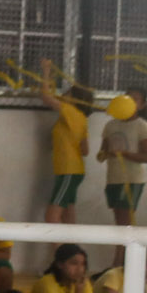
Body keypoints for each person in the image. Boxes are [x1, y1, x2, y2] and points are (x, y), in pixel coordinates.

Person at [97, 82, 147, 263]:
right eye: (128, 97)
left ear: (142, 105)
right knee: (119, 222)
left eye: (136, 99)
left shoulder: (142, 126)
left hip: (132, 180)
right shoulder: (110, 125)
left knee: (124, 224)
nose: (131, 101)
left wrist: (124, 154)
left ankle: (118, 263)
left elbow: (146, 157)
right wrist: (105, 154)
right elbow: (102, 152)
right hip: (113, 179)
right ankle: (121, 263)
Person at [38, 76, 92, 225]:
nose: (63, 95)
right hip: (73, 171)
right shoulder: (80, 117)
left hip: (68, 171)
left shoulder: (71, 112)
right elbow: (85, 150)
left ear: (75, 99)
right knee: (68, 214)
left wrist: (46, 72)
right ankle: (72, 240)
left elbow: (46, 98)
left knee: (51, 217)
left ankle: (59, 242)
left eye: (68, 93)